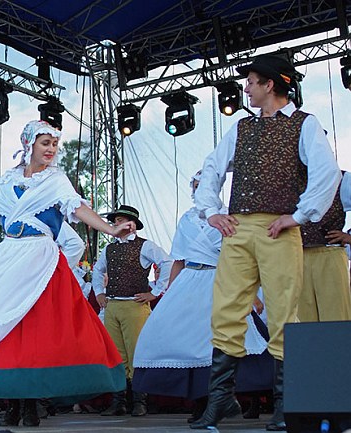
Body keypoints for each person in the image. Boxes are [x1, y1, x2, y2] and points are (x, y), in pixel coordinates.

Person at [0, 120, 132, 428]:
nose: (51, 149)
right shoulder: (7, 181)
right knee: (4, 329)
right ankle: (13, 403)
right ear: (29, 144)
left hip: (40, 257)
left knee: (34, 331)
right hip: (8, 255)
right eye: (45, 143)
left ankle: (31, 404)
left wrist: (110, 229)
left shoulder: (56, 180)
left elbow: (79, 209)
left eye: (54, 144)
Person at [191, 54, 341, 431]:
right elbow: (211, 168)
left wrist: (299, 216)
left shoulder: (305, 124)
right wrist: (211, 211)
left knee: (283, 312)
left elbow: (326, 173)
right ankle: (221, 399)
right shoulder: (241, 127)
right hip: (237, 228)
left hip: (278, 229)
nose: (246, 88)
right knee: (225, 310)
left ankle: (286, 404)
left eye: (251, 82)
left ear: (269, 84)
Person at [132, 171, 272, 422]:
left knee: (231, 338)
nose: (200, 190)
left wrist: (251, 293)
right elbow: (178, 259)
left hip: (222, 279)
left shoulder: (231, 217)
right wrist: (169, 294)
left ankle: (250, 399)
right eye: (196, 186)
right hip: (191, 280)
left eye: (205, 186)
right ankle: (200, 403)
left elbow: (244, 259)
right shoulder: (186, 219)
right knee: (187, 341)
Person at [91, 204, 172, 417]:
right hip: (112, 305)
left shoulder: (145, 246)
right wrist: (99, 292)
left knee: (137, 353)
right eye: (115, 220)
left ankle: (139, 401)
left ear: (131, 224)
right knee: (116, 355)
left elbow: (167, 263)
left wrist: (155, 292)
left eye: (120, 220)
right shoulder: (109, 249)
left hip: (134, 305)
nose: (116, 223)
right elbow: (98, 271)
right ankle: (119, 402)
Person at [298, 170, 351, 322]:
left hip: (330, 253)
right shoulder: (289, 179)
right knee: (302, 319)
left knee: (336, 316)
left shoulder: (343, 180)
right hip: (296, 254)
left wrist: (349, 237)